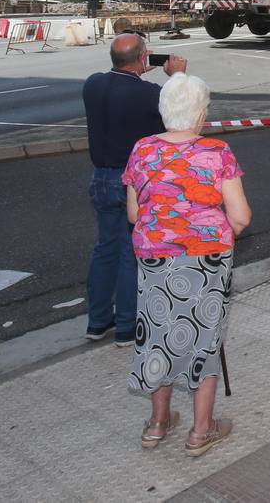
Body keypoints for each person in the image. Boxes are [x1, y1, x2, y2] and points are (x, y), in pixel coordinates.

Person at [123, 73, 250, 456]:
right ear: (199, 115)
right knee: (204, 337)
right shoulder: (217, 152)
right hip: (205, 260)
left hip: (154, 259)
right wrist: (212, 232)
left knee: (159, 334)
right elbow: (240, 216)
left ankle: (158, 424)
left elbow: (133, 214)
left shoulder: (142, 150)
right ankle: (200, 431)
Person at [82, 33, 187, 346]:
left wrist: (137, 69)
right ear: (143, 59)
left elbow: (120, 86)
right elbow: (180, 115)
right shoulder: (149, 94)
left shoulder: (92, 85)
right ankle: (127, 325)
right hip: (133, 182)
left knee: (105, 248)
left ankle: (98, 321)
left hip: (100, 177)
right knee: (131, 253)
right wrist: (177, 76)